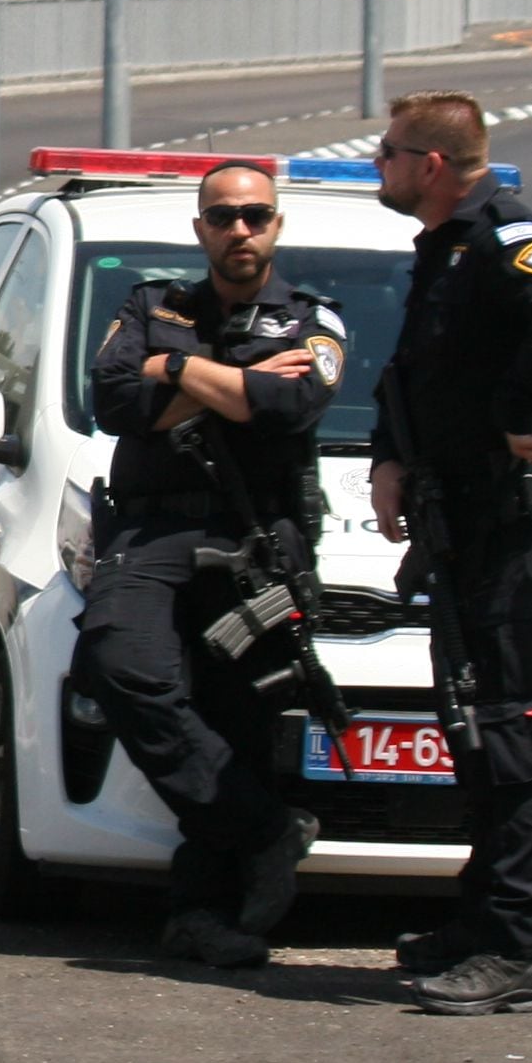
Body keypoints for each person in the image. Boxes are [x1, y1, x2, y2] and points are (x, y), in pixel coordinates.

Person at [73, 159, 345, 969]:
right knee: (119, 663)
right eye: (223, 217)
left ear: (276, 225)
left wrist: (176, 373)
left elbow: (291, 404)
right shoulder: (153, 304)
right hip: (154, 532)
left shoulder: (311, 317)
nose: (239, 231)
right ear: (201, 229)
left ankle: (204, 914)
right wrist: (228, 378)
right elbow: (113, 400)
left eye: (255, 216)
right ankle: (265, 830)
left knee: (236, 720)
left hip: (255, 541)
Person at [368, 89, 532, 1017]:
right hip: (458, 522)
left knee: (506, 732)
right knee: (473, 726)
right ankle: (479, 919)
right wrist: (391, 457)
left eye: (387, 153)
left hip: (507, 527)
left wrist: (517, 417)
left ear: (430, 164)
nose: (379, 166)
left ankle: (515, 948)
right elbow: (421, 367)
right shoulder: (448, 246)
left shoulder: (507, 232)